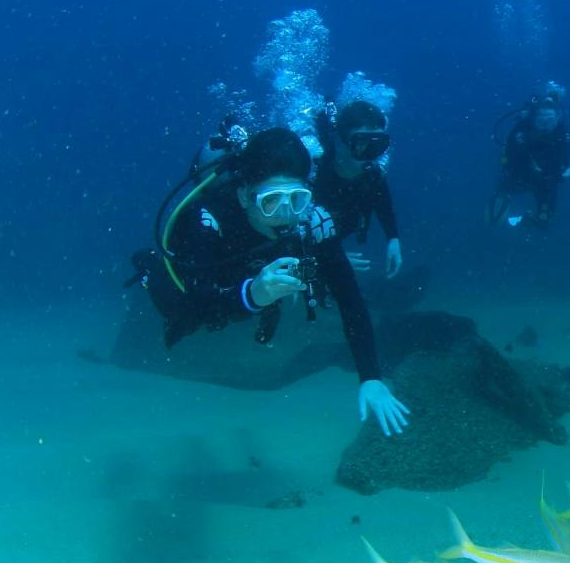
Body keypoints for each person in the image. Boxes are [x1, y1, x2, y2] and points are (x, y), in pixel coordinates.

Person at [142, 125, 410, 435]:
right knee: (185, 319)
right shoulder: (208, 220)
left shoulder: (310, 222)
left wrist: (370, 377)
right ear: (244, 195)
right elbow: (201, 305)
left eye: (297, 199)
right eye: (271, 201)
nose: (285, 214)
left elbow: (351, 300)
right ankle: (148, 267)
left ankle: (265, 301)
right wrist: (252, 295)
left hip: (254, 277)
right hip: (210, 278)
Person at [310, 100, 404, 277]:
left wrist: (393, 238)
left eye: (377, 146)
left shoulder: (371, 173)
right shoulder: (315, 173)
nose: (369, 155)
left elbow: (383, 203)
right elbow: (290, 232)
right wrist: (331, 258)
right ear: (339, 141)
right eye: (360, 143)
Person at [489, 90, 570, 228]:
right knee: (494, 219)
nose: (546, 126)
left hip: (546, 180)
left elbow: (563, 162)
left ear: (557, 119)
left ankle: (521, 223)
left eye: (550, 121)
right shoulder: (521, 135)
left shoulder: (561, 135)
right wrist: (556, 176)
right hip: (518, 179)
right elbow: (514, 167)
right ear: (534, 120)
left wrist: (556, 175)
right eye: (541, 121)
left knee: (544, 221)